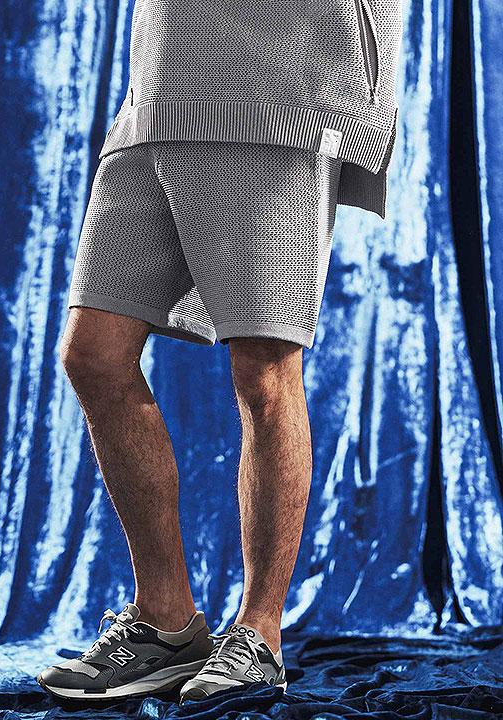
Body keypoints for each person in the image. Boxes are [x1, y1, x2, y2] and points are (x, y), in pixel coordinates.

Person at [37, 0, 403, 704]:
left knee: (264, 369)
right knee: (95, 356)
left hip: (282, 81)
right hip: (161, 81)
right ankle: (166, 624)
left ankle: (260, 636)